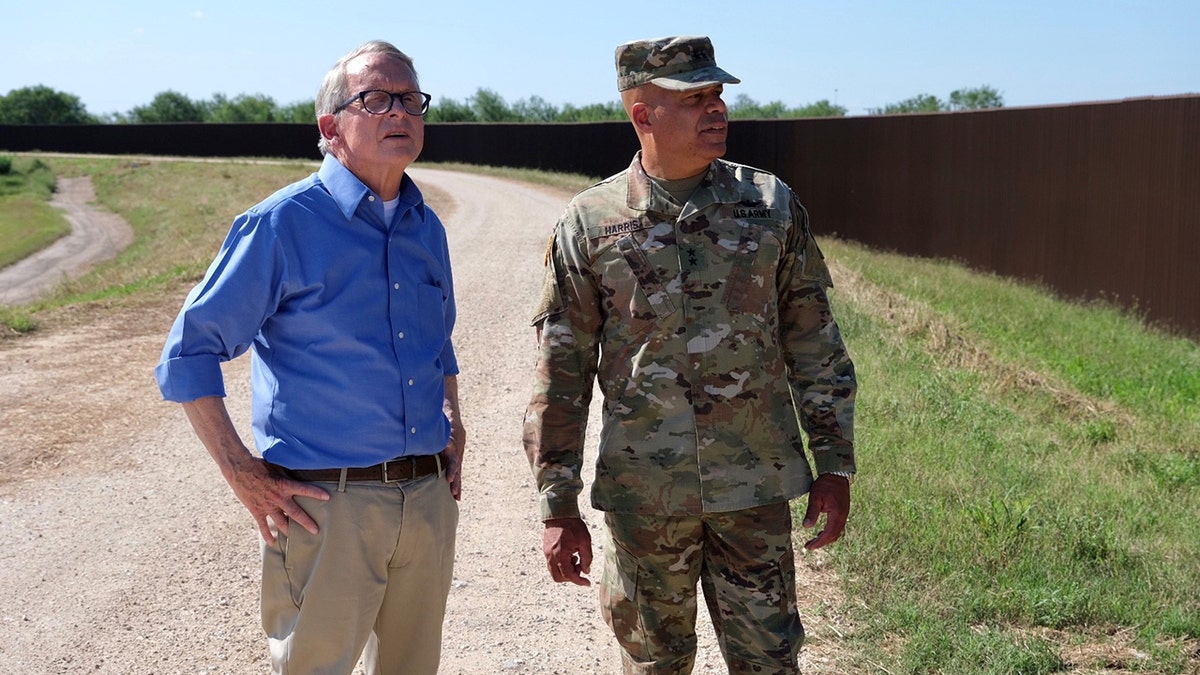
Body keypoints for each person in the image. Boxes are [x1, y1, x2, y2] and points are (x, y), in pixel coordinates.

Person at [522, 35, 857, 675]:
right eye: (695, 97)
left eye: (719, 94)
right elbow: (560, 375)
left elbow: (815, 342)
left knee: (770, 663)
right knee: (652, 666)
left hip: (754, 491)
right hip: (646, 503)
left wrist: (835, 463)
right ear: (642, 113)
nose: (717, 109)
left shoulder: (769, 207)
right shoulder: (590, 224)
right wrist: (556, 505)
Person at [155, 40, 464, 675]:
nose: (399, 112)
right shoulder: (281, 224)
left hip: (428, 498)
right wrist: (242, 473)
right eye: (376, 100)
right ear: (331, 127)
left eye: (410, 99)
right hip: (328, 507)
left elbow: (438, 339)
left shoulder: (422, 225)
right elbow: (188, 351)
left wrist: (454, 421)